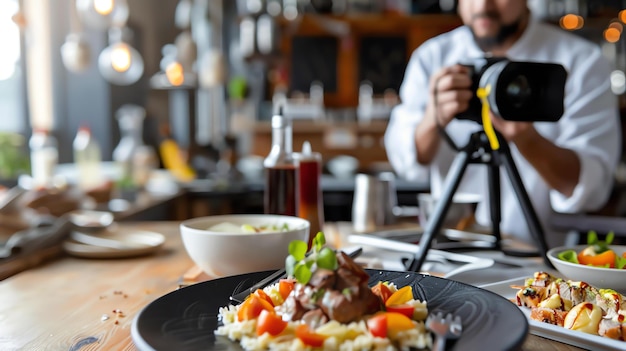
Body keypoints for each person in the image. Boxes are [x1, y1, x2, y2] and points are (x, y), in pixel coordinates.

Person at [384, 0, 622, 248]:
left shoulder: (579, 62)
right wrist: (433, 119)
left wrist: (528, 139)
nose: (483, 5)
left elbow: (591, 189)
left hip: (534, 257)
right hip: (448, 248)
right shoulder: (434, 57)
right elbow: (405, 162)